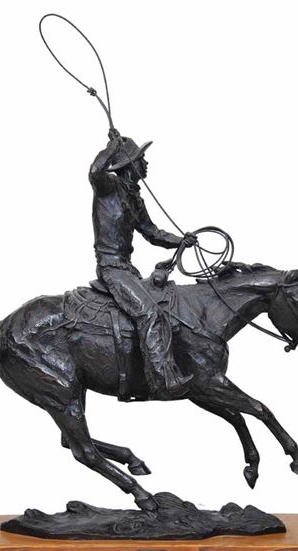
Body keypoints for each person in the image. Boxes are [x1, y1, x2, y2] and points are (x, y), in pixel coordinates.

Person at [89, 128, 197, 398]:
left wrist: (181, 241)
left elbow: (152, 232)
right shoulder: (108, 187)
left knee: (167, 306)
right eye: (140, 159)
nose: (146, 163)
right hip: (111, 269)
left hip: (128, 270)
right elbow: (95, 171)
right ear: (128, 165)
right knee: (149, 313)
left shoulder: (134, 198)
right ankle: (162, 377)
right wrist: (113, 148)